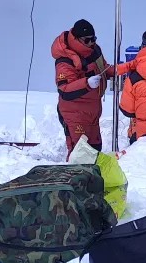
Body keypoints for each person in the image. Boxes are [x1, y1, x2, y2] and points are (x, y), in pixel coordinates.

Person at [51, 19, 119, 158]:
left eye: (93, 39)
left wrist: (124, 70)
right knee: (80, 155)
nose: (91, 42)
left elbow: (105, 69)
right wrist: (86, 83)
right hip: (74, 114)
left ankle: (92, 179)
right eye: (87, 40)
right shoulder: (65, 60)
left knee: (95, 150)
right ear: (76, 39)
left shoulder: (94, 51)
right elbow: (64, 89)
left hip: (92, 113)